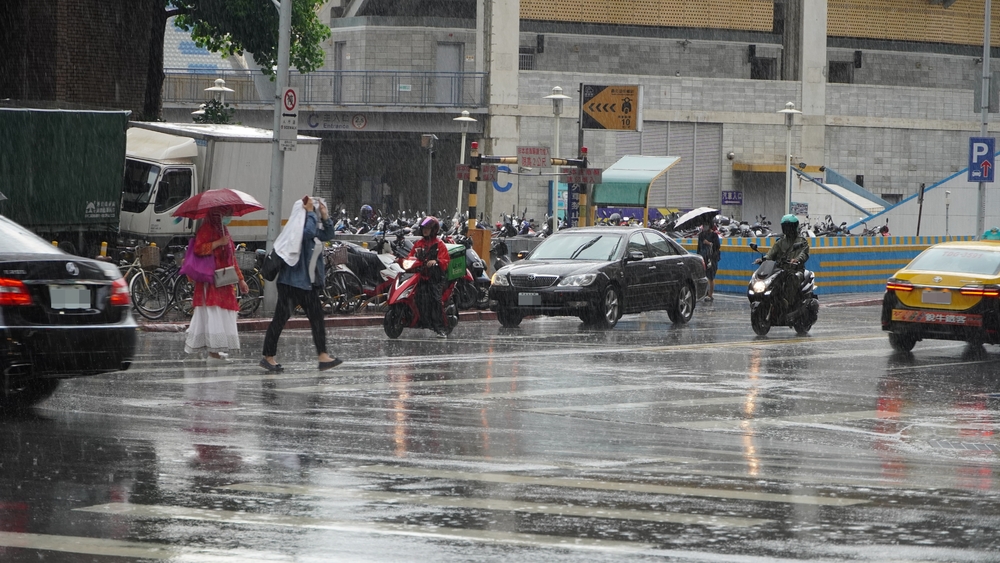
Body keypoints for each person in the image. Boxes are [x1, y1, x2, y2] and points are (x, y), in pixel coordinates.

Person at [260, 196, 342, 372]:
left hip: (307, 285)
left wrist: (325, 216)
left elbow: (328, 234)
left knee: (317, 320)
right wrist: (310, 212)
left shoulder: (312, 229)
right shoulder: (297, 231)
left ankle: (322, 356)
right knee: (280, 320)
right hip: (291, 284)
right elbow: (308, 233)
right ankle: (268, 356)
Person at [184, 207, 248, 362]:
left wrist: (240, 279)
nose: (228, 217)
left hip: (224, 280)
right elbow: (199, 248)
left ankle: (215, 350)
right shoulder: (207, 229)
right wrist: (218, 243)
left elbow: (231, 257)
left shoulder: (223, 229)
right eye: (226, 214)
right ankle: (213, 352)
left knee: (220, 313)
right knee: (213, 313)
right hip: (211, 280)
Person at [408, 216, 450, 338]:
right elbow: (410, 256)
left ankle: (441, 327)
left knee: (436, 300)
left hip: (434, 278)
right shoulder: (418, 243)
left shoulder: (439, 244)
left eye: (428, 228)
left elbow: (445, 260)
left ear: (434, 229)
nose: (425, 230)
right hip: (420, 277)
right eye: (423, 228)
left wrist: (436, 261)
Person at [758, 214, 810, 311]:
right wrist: (763, 259)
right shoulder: (780, 242)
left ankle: (789, 304)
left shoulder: (802, 241)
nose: (788, 229)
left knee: (792, 279)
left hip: (796, 270)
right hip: (781, 270)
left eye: (790, 226)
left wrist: (797, 260)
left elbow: (804, 253)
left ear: (795, 227)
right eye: (786, 227)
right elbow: (771, 253)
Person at [697, 217, 721, 302]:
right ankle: (705, 293)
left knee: (711, 276)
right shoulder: (701, 235)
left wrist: (709, 243)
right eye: (704, 225)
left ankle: (710, 294)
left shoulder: (714, 235)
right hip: (703, 257)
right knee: (703, 276)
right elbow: (699, 247)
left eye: (706, 224)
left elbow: (717, 247)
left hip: (712, 258)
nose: (705, 226)